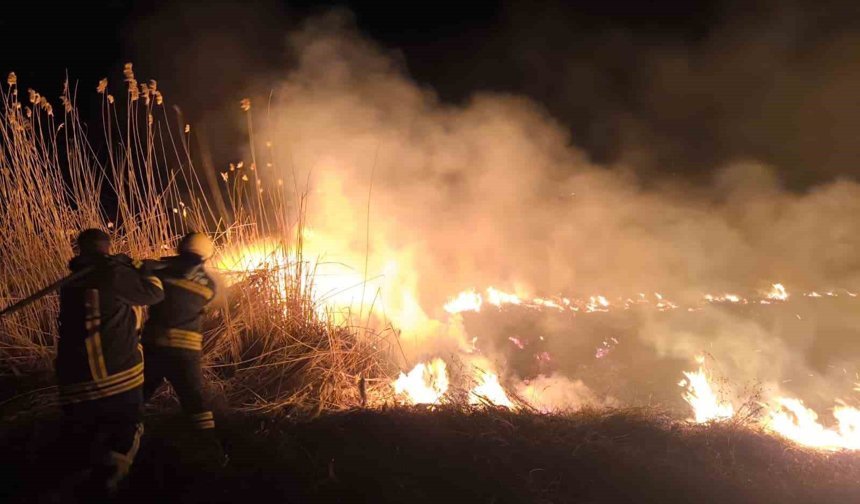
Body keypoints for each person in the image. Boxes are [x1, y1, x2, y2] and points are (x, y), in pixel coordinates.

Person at [55, 228, 165, 498]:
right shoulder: (113, 274)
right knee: (127, 426)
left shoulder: (71, 283)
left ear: (80, 250)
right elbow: (153, 294)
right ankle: (110, 485)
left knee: (86, 435)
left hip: (73, 379)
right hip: (115, 373)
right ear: (107, 247)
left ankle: (73, 484)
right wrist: (146, 270)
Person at [142, 232, 223, 462]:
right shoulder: (209, 285)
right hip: (186, 352)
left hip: (155, 346)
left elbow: (149, 286)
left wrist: (147, 266)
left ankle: (122, 447)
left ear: (180, 247)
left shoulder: (161, 271)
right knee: (195, 401)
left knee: (139, 395)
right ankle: (211, 451)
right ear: (206, 255)